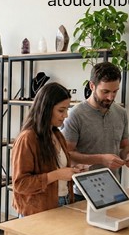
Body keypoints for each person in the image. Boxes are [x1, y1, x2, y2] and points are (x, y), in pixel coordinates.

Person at [62, 61, 129, 200]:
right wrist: (101, 159)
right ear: (92, 86)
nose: (111, 97)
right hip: (81, 191)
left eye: (115, 91)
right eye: (105, 92)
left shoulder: (121, 113)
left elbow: (124, 146)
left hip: (112, 188)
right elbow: (68, 153)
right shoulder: (75, 115)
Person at [12, 82, 85, 216]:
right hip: (38, 210)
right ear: (45, 108)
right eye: (61, 110)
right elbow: (20, 184)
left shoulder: (58, 135)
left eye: (67, 109)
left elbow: (59, 170)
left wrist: (74, 171)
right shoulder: (27, 138)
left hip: (65, 202)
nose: (66, 115)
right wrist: (56, 175)